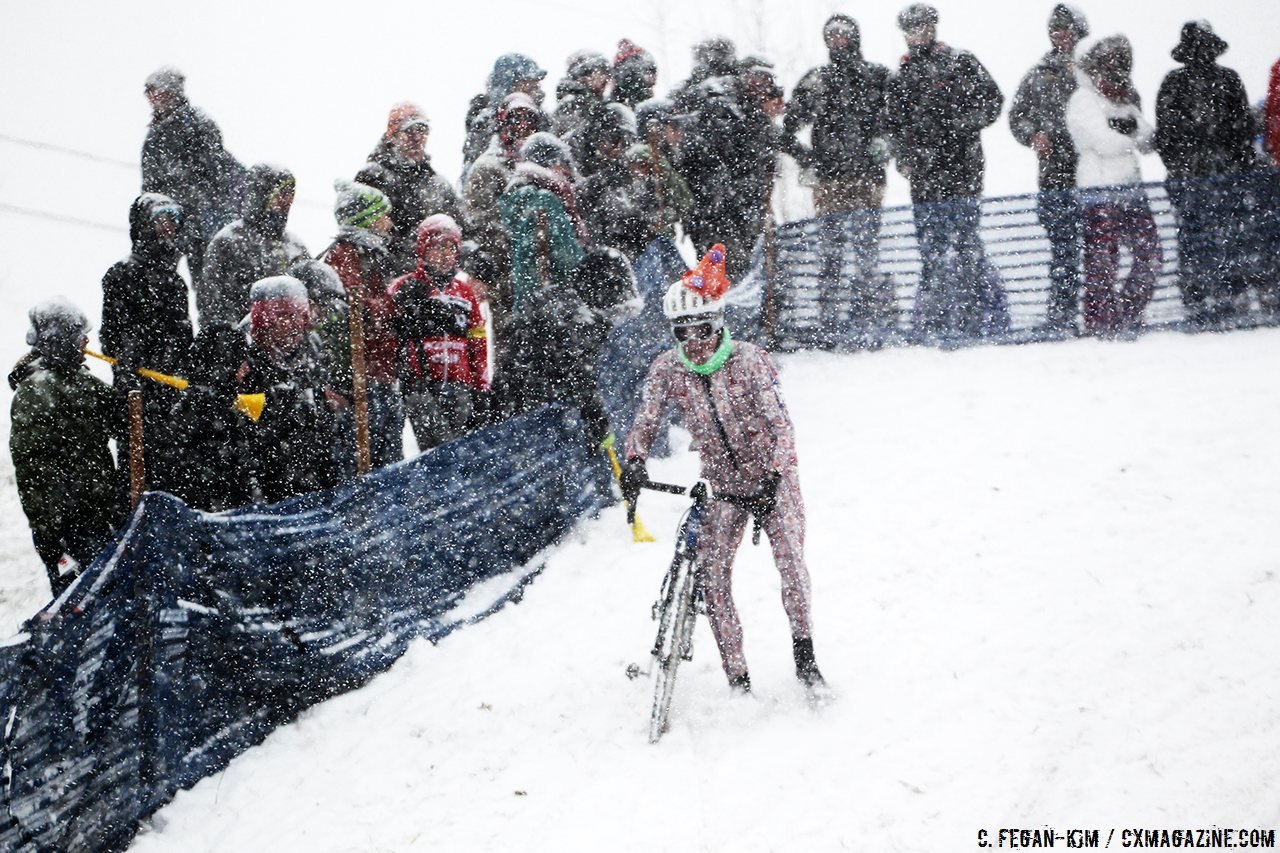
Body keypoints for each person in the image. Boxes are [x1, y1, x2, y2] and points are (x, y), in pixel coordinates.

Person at [621, 246, 826, 696]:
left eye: (702, 329)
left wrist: (774, 477)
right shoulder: (668, 368)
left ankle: (806, 659)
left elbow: (781, 428)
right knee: (712, 577)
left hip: (771, 477)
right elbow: (647, 416)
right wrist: (634, 461)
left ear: (718, 324)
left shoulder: (750, 361)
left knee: (790, 562)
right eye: (682, 331)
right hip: (724, 483)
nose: (693, 340)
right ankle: (738, 678)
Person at [884, 3, 1004, 344]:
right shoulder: (901, 75)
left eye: (922, 26)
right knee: (931, 249)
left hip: (963, 169)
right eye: (911, 28)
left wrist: (961, 128)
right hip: (924, 176)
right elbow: (891, 126)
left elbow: (993, 100)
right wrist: (905, 158)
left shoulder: (960, 61)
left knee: (966, 244)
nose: (917, 33)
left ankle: (972, 317)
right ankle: (935, 320)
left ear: (933, 27)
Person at [785, 14, 893, 348]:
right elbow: (788, 125)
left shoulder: (877, 76)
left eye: (843, 35)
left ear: (855, 37)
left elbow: (899, 118)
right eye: (831, 36)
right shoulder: (817, 79)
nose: (837, 41)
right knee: (831, 252)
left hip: (867, 178)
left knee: (866, 250)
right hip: (829, 181)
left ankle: (868, 316)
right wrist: (808, 158)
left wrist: (885, 143)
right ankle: (829, 321)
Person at [9, 301, 121, 596]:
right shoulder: (35, 390)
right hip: (65, 526)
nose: (87, 342)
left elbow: (122, 419)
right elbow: (32, 465)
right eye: (79, 335)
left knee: (103, 598)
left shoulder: (83, 381)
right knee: (76, 602)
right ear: (62, 339)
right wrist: (49, 533)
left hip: (96, 515)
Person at [1155, 21, 1260, 328]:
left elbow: (1242, 128)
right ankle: (1208, 298)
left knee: (1211, 239)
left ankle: (1213, 297)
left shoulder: (1224, 80)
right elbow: (1168, 135)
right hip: (1205, 178)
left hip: (1213, 177)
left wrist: (1231, 161)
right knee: (1207, 238)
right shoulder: (1189, 82)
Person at [99, 193, 194, 493]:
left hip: (173, 399)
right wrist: (133, 378)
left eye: (174, 220)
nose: (169, 228)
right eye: (160, 220)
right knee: (140, 482)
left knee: (176, 483)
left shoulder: (175, 282)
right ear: (143, 226)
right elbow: (113, 338)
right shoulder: (123, 274)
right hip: (139, 397)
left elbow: (183, 339)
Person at [1066, 35, 1162, 337]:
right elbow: (1103, 143)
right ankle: (1101, 323)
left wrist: (1131, 130)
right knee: (1103, 261)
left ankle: (1127, 313)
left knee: (1151, 255)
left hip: (1131, 190)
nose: (1112, 71)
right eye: (1105, 65)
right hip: (1099, 189)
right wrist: (1127, 135)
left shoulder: (1123, 100)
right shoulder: (1082, 100)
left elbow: (1148, 141)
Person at [503, 247, 639, 446]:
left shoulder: (560, 300)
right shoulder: (576, 319)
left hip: (512, 402)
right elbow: (579, 374)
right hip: (530, 411)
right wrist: (597, 419)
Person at [1009, 4, 1090, 334]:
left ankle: (1104, 313)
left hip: (1095, 174)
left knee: (1101, 248)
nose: (1060, 35)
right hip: (1054, 175)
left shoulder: (1096, 66)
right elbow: (1017, 116)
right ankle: (1063, 313)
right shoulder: (1039, 72)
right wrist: (1033, 134)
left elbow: (1125, 105)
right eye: (1055, 29)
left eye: (1066, 28)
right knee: (1064, 250)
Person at [387, 214, 490, 451]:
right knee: (436, 449)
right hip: (422, 384)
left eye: (449, 248)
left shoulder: (465, 292)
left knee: (460, 447)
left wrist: (480, 383)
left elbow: (478, 338)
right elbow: (388, 329)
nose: (444, 255)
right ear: (423, 251)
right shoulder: (404, 286)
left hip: (459, 382)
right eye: (436, 248)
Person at [322, 180, 404, 469]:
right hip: (359, 380)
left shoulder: (372, 256)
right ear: (366, 218)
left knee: (386, 458)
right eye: (383, 215)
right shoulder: (345, 257)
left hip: (377, 374)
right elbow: (350, 313)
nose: (389, 222)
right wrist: (389, 308)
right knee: (363, 460)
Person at [140, 66, 245, 288]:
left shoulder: (197, 124)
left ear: (172, 92)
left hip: (202, 219)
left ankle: (214, 322)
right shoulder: (154, 136)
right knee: (158, 282)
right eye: (147, 92)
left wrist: (201, 208)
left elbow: (216, 172)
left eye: (154, 90)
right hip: (169, 220)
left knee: (208, 284)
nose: (151, 97)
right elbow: (150, 186)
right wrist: (154, 216)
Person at [238, 276, 339, 503]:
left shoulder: (311, 346)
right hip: (269, 477)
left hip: (313, 469)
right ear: (264, 319)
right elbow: (243, 435)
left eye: (298, 315)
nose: (292, 324)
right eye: (283, 316)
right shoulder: (245, 357)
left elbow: (322, 407)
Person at [358, 103, 463, 276]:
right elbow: (364, 236)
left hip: (433, 284)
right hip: (387, 282)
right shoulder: (373, 176)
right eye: (410, 131)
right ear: (393, 135)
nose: (417, 138)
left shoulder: (439, 185)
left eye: (423, 130)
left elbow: (461, 231)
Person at [200, 163, 310, 328]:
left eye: (290, 194)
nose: (287, 201)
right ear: (261, 195)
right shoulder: (228, 242)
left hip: (290, 346)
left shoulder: (295, 244)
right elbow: (213, 304)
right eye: (281, 193)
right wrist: (235, 340)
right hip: (245, 344)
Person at [499, 132, 588, 316]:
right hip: (552, 304)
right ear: (547, 163)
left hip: (530, 303)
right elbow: (566, 257)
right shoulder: (544, 199)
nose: (566, 170)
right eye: (561, 163)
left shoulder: (520, 195)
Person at [462, 53, 549, 176]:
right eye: (526, 81)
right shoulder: (487, 122)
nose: (534, 86)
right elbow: (474, 171)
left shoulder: (542, 118)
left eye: (535, 81)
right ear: (509, 84)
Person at [611, 39, 657, 109]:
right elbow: (614, 75)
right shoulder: (619, 59)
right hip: (623, 89)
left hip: (640, 86)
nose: (624, 47)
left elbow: (651, 68)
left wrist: (649, 78)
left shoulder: (641, 54)